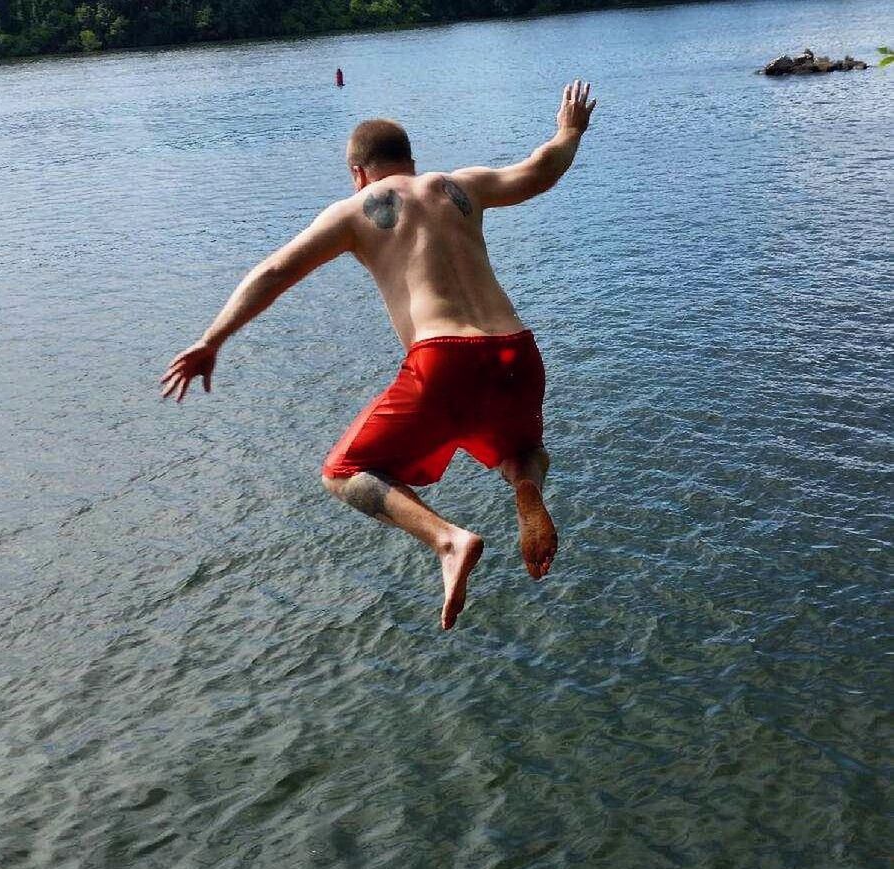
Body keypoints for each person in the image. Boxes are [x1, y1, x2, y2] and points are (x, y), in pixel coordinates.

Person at [160, 80, 597, 630]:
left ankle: (447, 542)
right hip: (516, 349)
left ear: (357, 173)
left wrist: (212, 339)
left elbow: (274, 272)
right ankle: (525, 486)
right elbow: (542, 169)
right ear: (411, 163)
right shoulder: (460, 186)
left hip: (443, 356)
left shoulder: (354, 210)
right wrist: (569, 129)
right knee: (523, 449)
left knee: (343, 473)